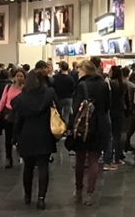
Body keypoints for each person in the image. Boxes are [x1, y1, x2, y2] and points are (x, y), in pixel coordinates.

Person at [11, 70, 58, 209]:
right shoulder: (49, 94)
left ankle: (27, 195)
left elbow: (17, 120)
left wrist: (15, 139)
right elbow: (58, 110)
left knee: (28, 167)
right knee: (43, 166)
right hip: (44, 133)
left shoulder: (21, 98)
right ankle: (41, 198)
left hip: (27, 135)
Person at [72, 59, 111, 205]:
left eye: (79, 70)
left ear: (85, 71)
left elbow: (76, 108)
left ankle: (78, 191)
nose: (78, 73)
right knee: (94, 160)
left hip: (84, 126)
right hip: (99, 125)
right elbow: (107, 106)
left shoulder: (81, 85)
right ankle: (90, 192)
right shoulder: (103, 84)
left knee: (80, 159)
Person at [0, 69, 25, 168]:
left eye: (21, 76)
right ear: (14, 77)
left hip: (20, 114)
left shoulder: (25, 89)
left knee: (20, 135)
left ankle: (20, 153)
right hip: (9, 114)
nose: (19, 78)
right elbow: (3, 100)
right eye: (18, 76)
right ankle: (9, 157)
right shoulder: (8, 87)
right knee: (8, 137)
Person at [106, 65, 127, 168]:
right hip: (120, 112)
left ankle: (108, 157)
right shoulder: (123, 84)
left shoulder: (109, 84)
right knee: (117, 135)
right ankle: (117, 158)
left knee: (110, 135)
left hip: (110, 111)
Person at [53, 61, 77, 126]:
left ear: (60, 68)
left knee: (59, 114)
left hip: (59, 98)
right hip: (68, 98)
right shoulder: (71, 78)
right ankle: (65, 128)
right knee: (66, 115)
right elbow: (73, 89)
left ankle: (59, 127)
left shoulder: (55, 77)